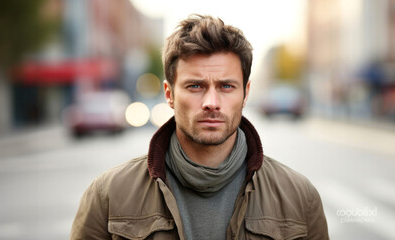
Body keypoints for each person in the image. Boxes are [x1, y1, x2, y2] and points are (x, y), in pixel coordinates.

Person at [70, 14, 329, 240]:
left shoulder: (299, 197)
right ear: (169, 94)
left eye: (226, 86)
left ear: (245, 93)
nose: (211, 103)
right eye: (195, 86)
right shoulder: (109, 195)